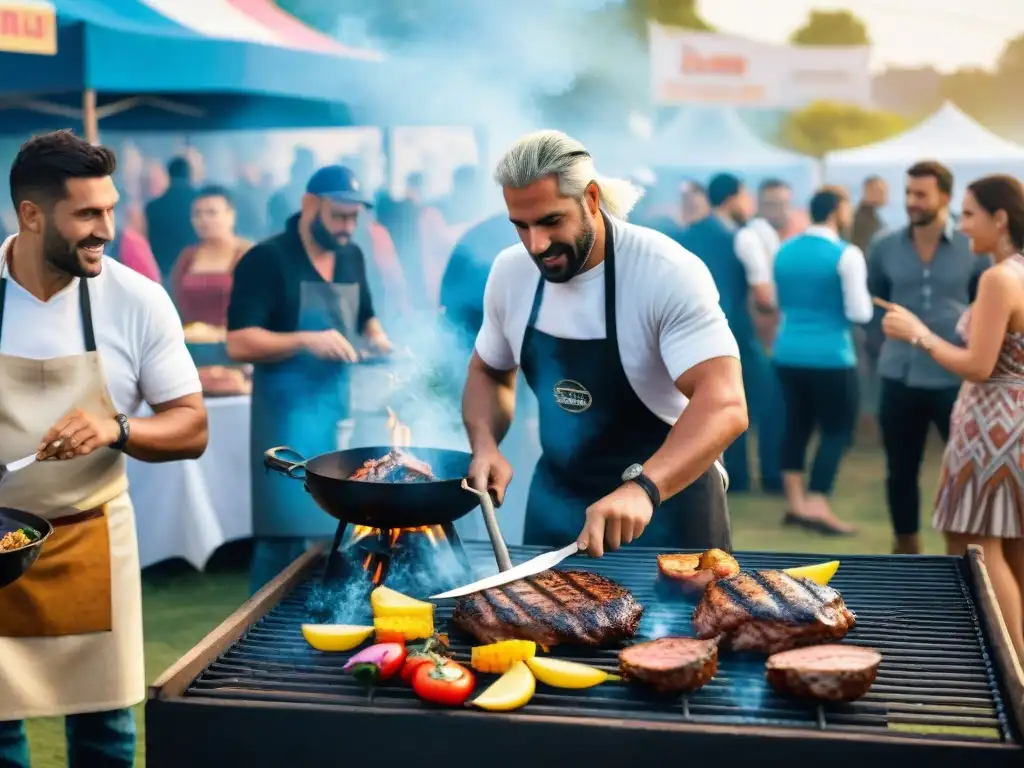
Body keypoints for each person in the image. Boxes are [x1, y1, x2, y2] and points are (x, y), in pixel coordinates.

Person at [0, 131, 207, 767]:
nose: (107, 229)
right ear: (31, 216)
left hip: (92, 538)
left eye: (111, 209)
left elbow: (191, 427)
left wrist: (118, 428)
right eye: (88, 214)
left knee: (107, 738)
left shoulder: (136, 300)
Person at [463, 131, 746, 557]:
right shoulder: (510, 273)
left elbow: (724, 403)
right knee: (530, 625)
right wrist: (485, 445)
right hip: (556, 505)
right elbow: (489, 371)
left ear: (591, 199)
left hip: (668, 505)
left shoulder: (664, 272)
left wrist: (644, 488)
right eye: (521, 226)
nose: (536, 245)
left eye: (550, 221)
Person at [227, 165, 393, 593]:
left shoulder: (351, 254)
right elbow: (239, 342)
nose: (347, 226)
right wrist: (305, 340)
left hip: (342, 416)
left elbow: (366, 316)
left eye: (354, 217)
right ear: (309, 205)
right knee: (281, 538)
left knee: (338, 533)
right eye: (339, 215)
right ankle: (254, 634)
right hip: (283, 424)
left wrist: (379, 340)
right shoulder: (266, 259)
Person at [880, 174, 1024, 660]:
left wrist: (918, 332)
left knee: (976, 547)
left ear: (999, 218)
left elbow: (978, 366)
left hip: (992, 427)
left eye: (968, 214)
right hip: (1017, 422)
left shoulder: (999, 278)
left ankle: (1009, 672)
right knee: (1014, 548)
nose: (961, 227)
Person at [868, 160, 991, 554]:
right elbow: (874, 302)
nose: (911, 201)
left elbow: (983, 307)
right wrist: (880, 347)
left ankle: (968, 557)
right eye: (908, 193)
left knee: (964, 471)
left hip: (953, 377)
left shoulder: (973, 247)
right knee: (899, 471)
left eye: (921, 194)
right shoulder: (884, 245)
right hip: (897, 374)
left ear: (944, 197)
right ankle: (906, 550)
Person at [773, 187, 873, 536]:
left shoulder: (783, 250)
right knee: (836, 429)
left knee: (795, 427)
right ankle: (817, 504)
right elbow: (859, 311)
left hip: (787, 352)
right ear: (837, 210)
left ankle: (795, 504)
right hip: (831, 355)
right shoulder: (846, 254)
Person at [679, 174, 781, 494]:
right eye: (745, 196)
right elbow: (763, 297)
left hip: (691, 334)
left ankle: (735, 475)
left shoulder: (688, 234)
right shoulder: (742, 237)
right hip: (734, 332)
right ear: (733, 198)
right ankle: (771, 477)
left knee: (720, 405)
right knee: (770, 401)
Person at [171, 185, 252, 327]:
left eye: (211, 213)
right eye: (197, 214)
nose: (203, 220)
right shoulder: (187, 257)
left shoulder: (249, 255)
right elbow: (174, 302)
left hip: (235, 342)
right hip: (190, 340)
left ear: (231, 215)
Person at [144, 156, 196, 279]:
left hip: (164, 271)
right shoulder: (199, 202)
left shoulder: (152, 207)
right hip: (195, 269)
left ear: (168, 174)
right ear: (190, 173)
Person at [851, 175, 888, 254]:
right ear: (868, 191)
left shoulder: (870, 216)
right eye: (881, 191)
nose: (885, 195)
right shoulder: (863, 220)